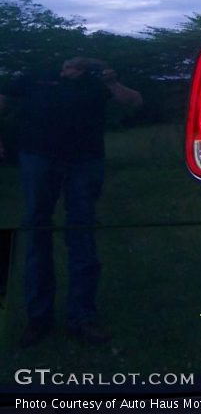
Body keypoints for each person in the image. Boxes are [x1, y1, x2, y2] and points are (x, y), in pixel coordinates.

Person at [0, 57, 142, 347]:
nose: (76, 67)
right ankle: (38, 319)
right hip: (37, 159)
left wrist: (112, 81)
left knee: (82, 232)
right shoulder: (35, 75)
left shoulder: (98, 82)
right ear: (62, 65)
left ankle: (83, 317)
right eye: (72, 63)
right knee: (37, 231)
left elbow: (134, 101)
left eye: (83, 64)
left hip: (85, 162)